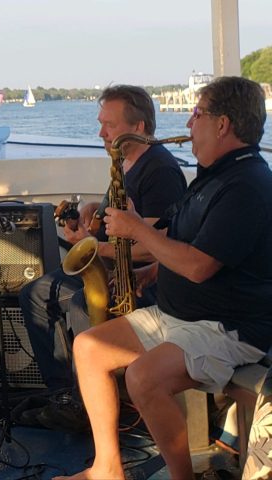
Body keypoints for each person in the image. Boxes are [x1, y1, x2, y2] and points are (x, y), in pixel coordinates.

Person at [57, 76, 272, 480]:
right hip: (182, 315)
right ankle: (107, 468)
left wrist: (136, 229)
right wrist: (150, 270)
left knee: (143, 378)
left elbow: (198, 265)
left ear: (222, 124)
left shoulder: (247, 185)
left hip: (228, 328)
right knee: (89, 348)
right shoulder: (213, 175)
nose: (189, 124)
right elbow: (180, 237)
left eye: (197, 114)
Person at [17, 85, 187, 430]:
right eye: (101, 123)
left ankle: (105, 404)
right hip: (112, 266)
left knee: (81, 304)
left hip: (139, 279)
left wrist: (96, 248)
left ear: (139, 127)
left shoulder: (160, 171)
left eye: (109, 125)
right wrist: (96, 210)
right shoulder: (126, 162)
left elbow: (156, 242)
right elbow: (122, 219)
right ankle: (67, 395)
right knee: (34, 294)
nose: (101, 133)